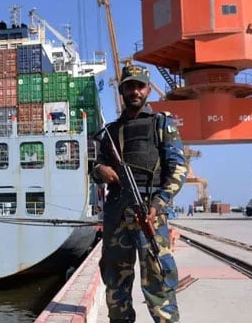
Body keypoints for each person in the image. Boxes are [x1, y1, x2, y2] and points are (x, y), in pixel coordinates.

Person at [92, 64, 187, 323]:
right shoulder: (111, 131)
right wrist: (101, 170)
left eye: (140, 86)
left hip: (149, 214)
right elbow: (95, 168)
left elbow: (178, 170)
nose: (135, 91)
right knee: (115, 282)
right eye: (129, 86)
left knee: (159, 280)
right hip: (117, 215)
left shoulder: (161, 124)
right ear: (121, 90)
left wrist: (158, 204)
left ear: (147, 90)